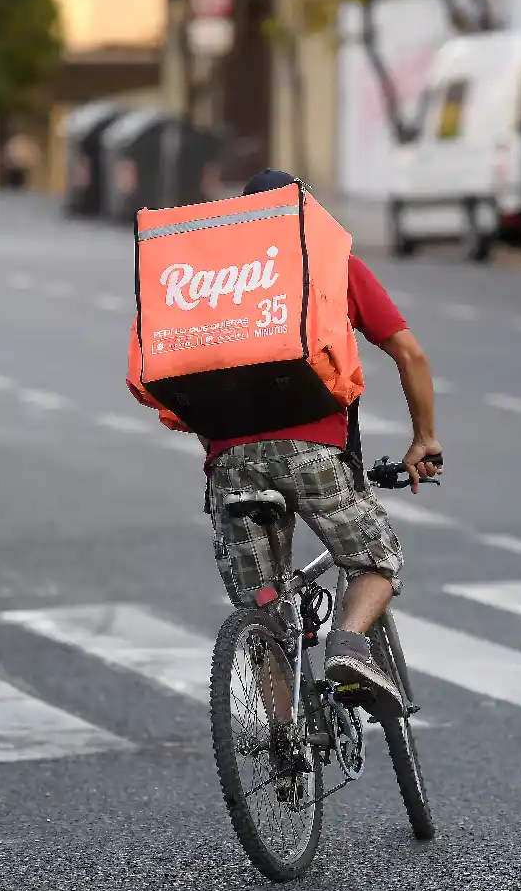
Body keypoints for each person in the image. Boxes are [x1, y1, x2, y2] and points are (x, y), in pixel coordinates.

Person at [199, 168, 443, 718]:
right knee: (377, 559)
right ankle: (350, 646)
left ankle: (282, 743)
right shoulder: (333, 265)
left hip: (230, 465)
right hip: (310, 450)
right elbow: (410, 354)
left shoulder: (212, 281)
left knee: (263, 610)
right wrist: (424, 439)